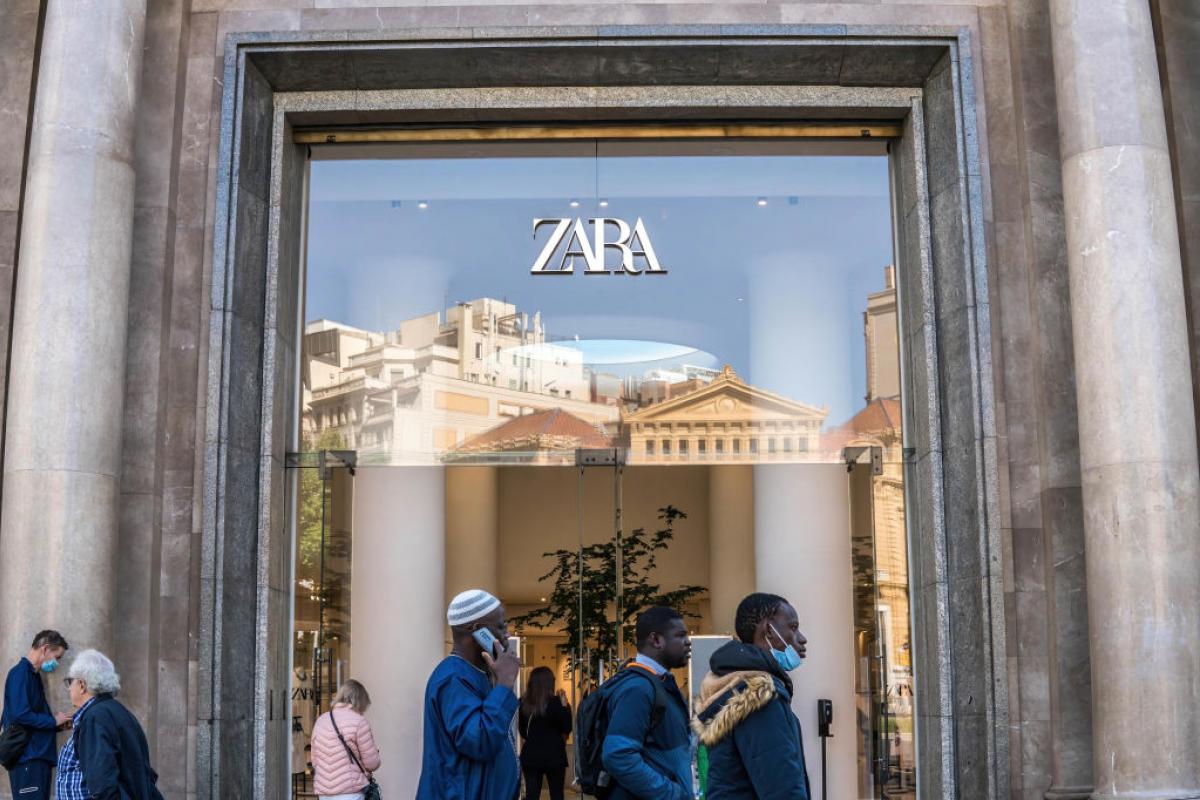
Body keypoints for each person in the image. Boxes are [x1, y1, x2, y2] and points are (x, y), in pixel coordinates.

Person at [692, 592, 811, 799]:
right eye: (792, 627)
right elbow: (781, 787)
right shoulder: (759, 697)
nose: (802, 638)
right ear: (768, 630)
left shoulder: (734, 687)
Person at [416, 589, 523, 800]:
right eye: (500, 626)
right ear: (477, 630)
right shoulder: (453, 677)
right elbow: (480, 741)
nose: (507, 634)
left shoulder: (475, 673)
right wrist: (504, 684)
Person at [600, 606, 692, 800]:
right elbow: (618, 756)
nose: (688, 642)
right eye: (680, 635)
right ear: (656, 640)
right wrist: (673, 794)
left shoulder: (657, 684)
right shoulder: (638, 689)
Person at [56, 649, 164, 800]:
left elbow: (102, 783)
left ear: (82, 685)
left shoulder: (95, 717)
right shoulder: (115, 711)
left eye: (70, 682)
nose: (69, 688)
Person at [2, 630, 71, 799]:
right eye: (57, 657)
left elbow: (30, 717)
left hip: (36, 757)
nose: (57, 663)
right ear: (45, 649)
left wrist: (58, 725)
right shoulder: (20, 674)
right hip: (28, 757)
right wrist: (52, 721)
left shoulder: (32, 676)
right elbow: (21, 715)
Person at [311, 679, 381, 800]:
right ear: (361, 701)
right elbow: (372, 764)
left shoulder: (321, 720)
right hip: (350, 791)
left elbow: (315, 759)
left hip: (324, 793)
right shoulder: (359, 721)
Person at [518, 666, 572, 800]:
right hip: (555, 755)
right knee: (557, 794)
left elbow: (523, 731)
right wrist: (564, 704)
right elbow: (567, 727)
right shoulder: (557, 703)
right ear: (550, 683)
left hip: (531, 755)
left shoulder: (523, 702)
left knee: (532, 795)